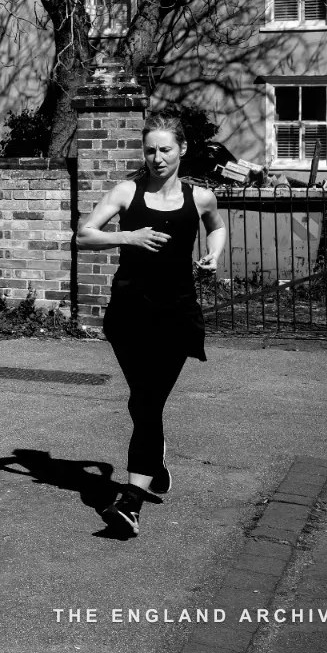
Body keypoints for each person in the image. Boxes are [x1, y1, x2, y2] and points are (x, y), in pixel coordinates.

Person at [76, 113, 227, 536]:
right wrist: (130, 237)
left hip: (176, 314)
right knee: (142, 401)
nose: (157, 157)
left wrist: (214, 255)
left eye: (165, 149)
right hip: (128, 313)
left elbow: (216, 228)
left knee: (148, 402)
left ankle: (130, 501)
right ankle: (154, 464)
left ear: (182, 150)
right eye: (150, 150)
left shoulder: (201, 198)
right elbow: (83, 235)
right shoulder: (127, 192)